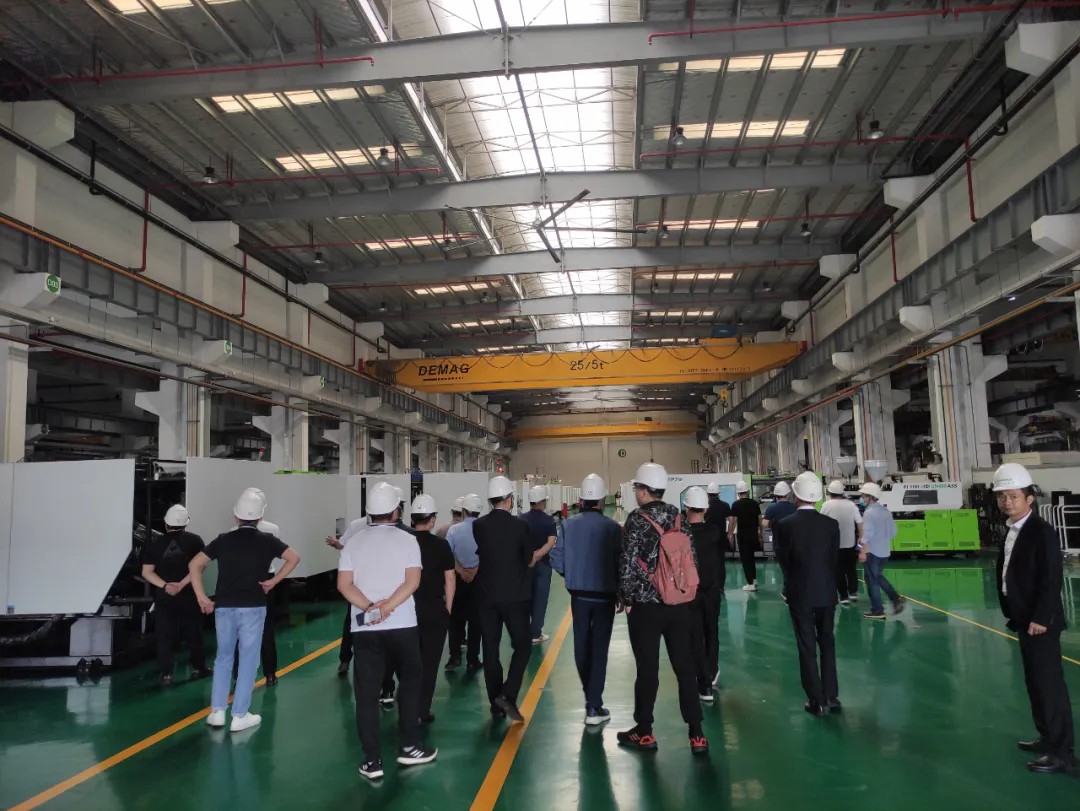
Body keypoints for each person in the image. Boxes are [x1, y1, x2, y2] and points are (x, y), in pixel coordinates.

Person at [337, 481, 435, 781]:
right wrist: (388, 607)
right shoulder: (408, 541)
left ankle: (372, 760)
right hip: (402, 625)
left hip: (365, 628)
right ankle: (410, 746)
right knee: (410, 684)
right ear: (396, 511)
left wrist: (370, 608)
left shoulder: (353, 543)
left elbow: (344, 585)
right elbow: (412, 582)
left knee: (367, 694)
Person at [189, 489, 300, 733]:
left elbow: (195, 564)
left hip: (224, 607)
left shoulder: (222, 540)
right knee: (248, 659)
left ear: (236, 516)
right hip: (253, 607)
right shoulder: (268, 540)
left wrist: (201, 597)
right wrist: (274, 581)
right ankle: (240, 715)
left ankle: (217, 712)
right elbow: (294, 558)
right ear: (260, 518)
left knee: (223, 657)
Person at [617, 462, 708, 756]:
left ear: (644, 490)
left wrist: (627, 599)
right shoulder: (677, 517)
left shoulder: (636, 519)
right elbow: (691, 559)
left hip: (646, 607)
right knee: (685, 668)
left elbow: (628, 563)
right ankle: (697, 734)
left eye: (637, 488)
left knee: (648, 669)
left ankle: (645, 732)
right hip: (679, 604)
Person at [992, 463, 1075, 775]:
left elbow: (1051, 579)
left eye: (1014, 496)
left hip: (1040, 623)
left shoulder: (1041, 531)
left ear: (1029, 499)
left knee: (1049, 687)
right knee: (1035, 684)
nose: (1007, 502)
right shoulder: (1013, 529)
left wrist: (1041, 617)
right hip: (1023, 619)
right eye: (1002, 497)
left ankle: (1062, 754)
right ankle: (1047, 738)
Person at [550, 473, 622, 726]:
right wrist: (621, 592)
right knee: (599, 649)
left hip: (579, 596)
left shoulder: (568, 525)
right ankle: (594, 705)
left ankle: (590, 698)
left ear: (580, 499)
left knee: (581, 646)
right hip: (605, 598)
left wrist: (570, 574)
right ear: (602, 500)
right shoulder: (613, 528)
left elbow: (556, 558)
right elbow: (620, 563)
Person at [774, 472, 840, 716]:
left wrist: (791, 584)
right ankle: (831, 695)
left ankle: (816, 699)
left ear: (796, 495)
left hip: (800, 592)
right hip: (826, 591)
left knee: (806, 644)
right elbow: (833, 559)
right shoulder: (831, 525)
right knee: (827, 642)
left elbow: (784, 560)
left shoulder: (785, 525)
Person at [473, 475, 534, 722]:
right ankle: (508, 694)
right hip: (516, 596)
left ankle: (495, 703)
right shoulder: (520, 526)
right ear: (510, 499)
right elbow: (528, 559)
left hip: (486, 596)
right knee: (523, 646)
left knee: (490, 648)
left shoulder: (479, 525)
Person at [141, 504, 210, 686]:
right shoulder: (195, 541)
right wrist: (181, 585)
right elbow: (201, 566)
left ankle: (166, 674)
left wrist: (166, 586)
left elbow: (147, 572)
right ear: (186, 523)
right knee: (194, 632)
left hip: (165, 596)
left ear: (166, 524)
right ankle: (199, 668)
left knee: (164, 634)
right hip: (189, 594)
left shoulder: (155, 544)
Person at [408, 494, 456, 724]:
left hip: (406, 609)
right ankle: (422, 710)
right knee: (430, 662)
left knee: (408, 661)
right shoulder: (441, 545)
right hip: (434, 609)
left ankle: (407, 706)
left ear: (412, 518)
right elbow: (450, 579)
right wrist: (448, 608)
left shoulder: (404, 542)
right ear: (433, 519)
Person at [684, 486, 724, 701]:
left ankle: (700, 676)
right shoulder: (714, 532)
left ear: (687, 508)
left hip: (689, 592)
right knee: (711, 630)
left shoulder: (682, 534)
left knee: (694, 633)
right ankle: (711, 670)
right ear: (706, 509)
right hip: (712, 590)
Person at [445, 493, 484, 673]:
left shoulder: (453, 530)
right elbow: (488, 553)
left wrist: (461, 571)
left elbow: (447, 555)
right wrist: (474, 571)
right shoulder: (484, 529)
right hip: (478, 580)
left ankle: (454, 657)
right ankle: (472, 659)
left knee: (455, 620)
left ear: (464, 511)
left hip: (457, 580)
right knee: (476, 621)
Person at [858, 483, 905, 620]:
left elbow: (868, 534)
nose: (861, 498)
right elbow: (893, 532)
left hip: (872, 552)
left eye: (863, 496)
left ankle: (878, 610)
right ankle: (895, 599)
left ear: (870, 497)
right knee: (875, 577)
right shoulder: (886, 511)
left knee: (873, 581)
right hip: (884, 552)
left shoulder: (869, 513)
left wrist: (862, 550)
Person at [522, 484, 558, 645]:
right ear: (543, 501)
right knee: (540, 599)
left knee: (526, 597)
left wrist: (530, 557)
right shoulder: (548, 520)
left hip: (525, 565)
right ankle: (536, 633)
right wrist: (537, 556)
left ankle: (524, 630)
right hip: (543, 564)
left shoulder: (521, 519)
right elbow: (551, 542)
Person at [820, 481, 863, 606]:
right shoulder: (851, 505)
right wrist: (861, 536)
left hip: (834, 545)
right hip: (850, 543)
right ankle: (853, 593)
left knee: (838, 571)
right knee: (851, 569)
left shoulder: (826, 505)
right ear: (842, 493)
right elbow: (859, 522)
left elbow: (820, 522)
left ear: (830, 492)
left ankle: (843, 596)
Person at [762, 482, 796, 600]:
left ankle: (788, 592)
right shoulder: (794, 507)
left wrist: (771, 523)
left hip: (779, 543)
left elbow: (765, 523)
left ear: (776, 495)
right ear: (788, 494)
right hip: (794, 542)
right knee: (794, 567)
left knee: (785, 569)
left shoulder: (772, 508)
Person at [728, 481, 761, 591]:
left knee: (746, 559)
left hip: (743, 536)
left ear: (738, 493)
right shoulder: (754, 503)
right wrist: (760, 533)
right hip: (753, 534)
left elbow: (733, 521)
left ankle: (750, 584)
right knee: (751, 558)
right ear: (748, 491)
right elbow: (759, 519)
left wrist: (730, 534)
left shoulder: (736, 504)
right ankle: (754, 579)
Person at [704, 483, 731, 557]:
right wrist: (730, 533)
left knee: (710, 558)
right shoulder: (725, 505)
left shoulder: (704, 506)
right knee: (721, 558)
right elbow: (731, 520)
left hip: (708, 536)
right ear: (718, 494)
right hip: (721, 536)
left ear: (707, 494)